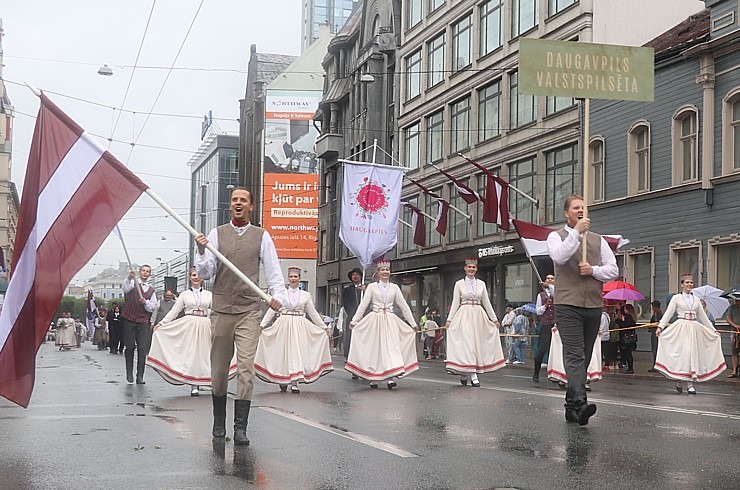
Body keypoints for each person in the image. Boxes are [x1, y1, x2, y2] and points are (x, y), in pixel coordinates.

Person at [195, 187, 284, 445]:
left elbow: (273, 269)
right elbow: (205, 273)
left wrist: (277, 296)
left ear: (251, 207)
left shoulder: (262, 236)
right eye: (234, 199)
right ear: (230, 205)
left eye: (243, 200)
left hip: (249, 310)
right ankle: (219, 423)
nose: (238, 203)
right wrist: (201, 252)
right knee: (220, 371)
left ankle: (241, 427)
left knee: (246, 369)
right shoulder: (216, 234)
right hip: (222, 309)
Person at [546, 194, 618, 425]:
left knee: (585, 355)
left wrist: (594, 271)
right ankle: (580, 404)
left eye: (583, 208)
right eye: (576, 208)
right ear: (567, 213)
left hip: (594, 304)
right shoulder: (556, 237)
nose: (581, 211)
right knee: (575, 353)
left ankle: (571, 408)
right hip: (568, 303)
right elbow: (560, 256)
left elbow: (613, 270)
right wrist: (576, 232)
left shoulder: (599, 240)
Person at [147, 270, 236, 396]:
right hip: (189, 324)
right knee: (192, 354)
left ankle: (209, 381)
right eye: (194, 275)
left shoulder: (209, 295)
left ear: (203, 278)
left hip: (206, 325)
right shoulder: (184, 295)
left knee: (207, 353)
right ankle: (194, 385)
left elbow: (216, 310)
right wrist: (162, 324)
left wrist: (225, 322)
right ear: (189, 277)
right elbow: (174, 311)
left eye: (198, 275)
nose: (196, 277)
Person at [254, 267, 333, 394]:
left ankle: (294, 382)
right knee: (283, 352)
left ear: (299, 278)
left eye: (296, 277)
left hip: (299, 325)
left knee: (297, 352)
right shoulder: (282, 293)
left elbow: (312, 312)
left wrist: (323, 327)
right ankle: (283, 378)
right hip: (283, 324)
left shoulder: (306, 295)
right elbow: (272, 310)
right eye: (291, 277)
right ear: (288, 278)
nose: (293, 279)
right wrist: (262, 325)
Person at [345, 260, 418, 389]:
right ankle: (374, 377)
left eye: (387, 270)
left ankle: (390, 377)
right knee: (375, 349)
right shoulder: (372, 287)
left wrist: (412, 323)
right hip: (375, 319)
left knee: (391, 347)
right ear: (378, 273)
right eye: (383, 270)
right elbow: (364, 304)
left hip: (390, 320)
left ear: (390, 272)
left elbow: (403, 306)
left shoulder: (394, 288)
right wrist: (354, 320)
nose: (385, 272)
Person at [655, 273, 726, 394]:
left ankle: (689, 383)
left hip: (693, 327)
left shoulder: (696, 299)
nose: (689, 285)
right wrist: (660, 326)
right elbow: (668, 313)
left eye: (691, 283)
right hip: (681, 327)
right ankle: (680, 379)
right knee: (683, 354)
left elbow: (703, 318)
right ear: (682, 284)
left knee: (691, 354)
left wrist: (713, 330)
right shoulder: (676, 298)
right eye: (687, 282)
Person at [444, 258, 504, 387]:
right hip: (464, 314)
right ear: (465, 268)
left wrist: (494, 319)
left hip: (478, 314)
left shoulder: (481, 284)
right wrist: (449, 319)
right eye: (469, 267)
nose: (471, 269)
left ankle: (468, 372)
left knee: (476, 344)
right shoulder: (459, 284)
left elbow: (486, 302)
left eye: (474, 267)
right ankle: (471, 374)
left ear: (476, 269)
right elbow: (455, 302)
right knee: (467, 343)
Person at [122, 265, 158, 385]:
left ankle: (140, 376)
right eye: (143, 271)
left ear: (149, 274)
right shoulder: (132, 283)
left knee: (142, 349)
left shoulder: (151, 290)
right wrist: (129, 277)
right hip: (129, 319)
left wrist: (145, 302)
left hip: (142, 321)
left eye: (147, 271)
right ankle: (129, 372)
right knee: (130, 347)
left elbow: (153, 307)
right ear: (139, 272)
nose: (145, 273)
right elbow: (125, 289)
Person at [547, 325, 603, 390]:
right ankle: (567, 379)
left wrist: (595, 327)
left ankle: (582, 381)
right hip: (572, 328)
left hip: (584, 328)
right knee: (572, 354)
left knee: (586, 354)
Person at [342, 267, 365, 373]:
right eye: (353, 275)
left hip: (365, 319)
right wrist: (354, 315)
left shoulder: (366, 288)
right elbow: (346, 304)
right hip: (352, 317)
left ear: (361, 276)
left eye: (357, 274)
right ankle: (350, 358)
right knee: (350, 339)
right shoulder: (347, 290)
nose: (355, 276)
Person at [533, 274, 556, 382]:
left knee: (556, 350)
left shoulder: (558, 292)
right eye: (548, 278)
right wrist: (546, 305)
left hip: (557, 325)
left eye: (552, 279)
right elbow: (538, 311)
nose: (550, 280)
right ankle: (536, 372)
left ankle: (556, 374)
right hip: (546, 324)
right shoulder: (541, 295)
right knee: (542, 349)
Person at [616, 304, 637, 374]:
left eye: (625, 309)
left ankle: (630, 368)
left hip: (627, 338)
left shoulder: (629, 318)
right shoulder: (631, 317)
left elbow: (625, 326)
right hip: (628, 337)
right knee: (628, 353)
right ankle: (629, 367)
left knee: (628, 353)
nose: (624, 310)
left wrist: (620, 321)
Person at [727, 297, 740, 379]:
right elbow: (728, 318)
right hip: (734, 332)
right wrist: (735, 325)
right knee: (734, 351)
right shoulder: (732, 308)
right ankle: (734, 371)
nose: (736, 300)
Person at [647, 300, 662, 372]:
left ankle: (656, 366)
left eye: (653, 307)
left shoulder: (658, 315)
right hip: (653, 334)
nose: (652, 309)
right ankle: (655, 365)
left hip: (656, 335)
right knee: (654, 350)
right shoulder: (655, 315)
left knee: (656, 350)